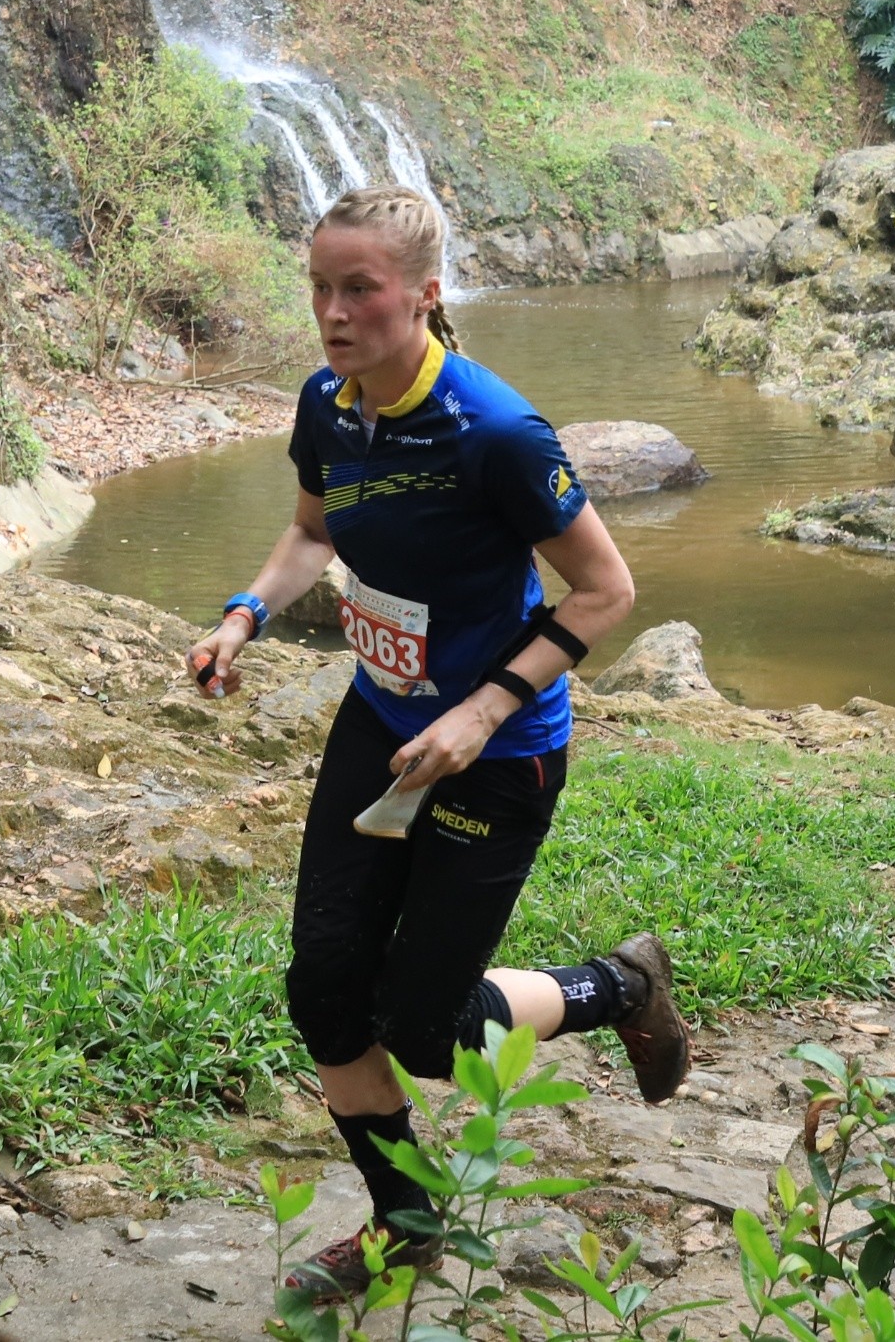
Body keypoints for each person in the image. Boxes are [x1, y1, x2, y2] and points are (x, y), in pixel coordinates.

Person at [188, 185, 691, 1303]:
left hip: (496, 756)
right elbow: (312, 532)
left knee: (423, 1028)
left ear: (423, 294)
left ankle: (618, 987)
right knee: (323, 989)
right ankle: (404, 1223)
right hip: (380, 722)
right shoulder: (326, 404)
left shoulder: (497, 434)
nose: (331, 312)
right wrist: (242, 616)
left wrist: (483, 709)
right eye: (319, 287)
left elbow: (606, 591)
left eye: (358, 289)